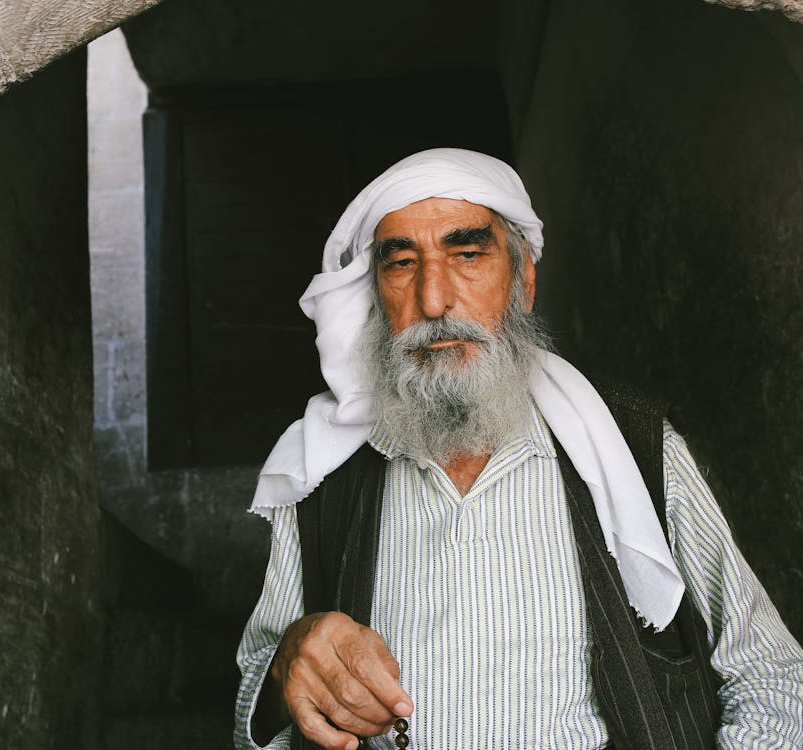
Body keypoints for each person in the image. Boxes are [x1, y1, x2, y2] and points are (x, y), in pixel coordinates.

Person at [234, 149, 803, 750]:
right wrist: (284, 669)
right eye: (402, 264)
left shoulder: (634, 448)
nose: (433, 300)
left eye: (468, 254)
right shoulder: (323, 477)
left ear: (523, 282)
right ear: (376, 296)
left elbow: (775, 680)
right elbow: (253, 712)